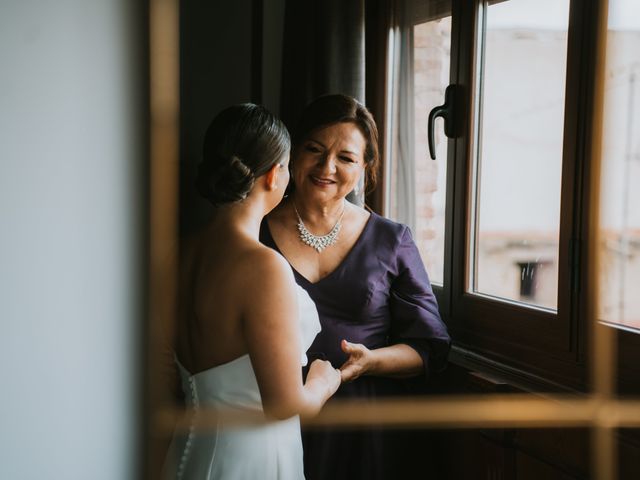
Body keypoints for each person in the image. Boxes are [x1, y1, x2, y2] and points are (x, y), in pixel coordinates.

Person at [260, 94, 451, 480]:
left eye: (345, 158)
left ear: (365, 167)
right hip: (273, 419)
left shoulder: (392, 239)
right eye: (314, 149)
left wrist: (369, 362)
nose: (326, 167)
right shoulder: (256, 231)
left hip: (365, 428)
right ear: (292, 153)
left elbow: (429, 347)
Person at [165, 103, 342, 480]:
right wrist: (325, 382)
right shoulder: (263, 267)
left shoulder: (175, 254)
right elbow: (284, 405)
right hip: (250, 460)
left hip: (186, 452)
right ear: (275, 175)